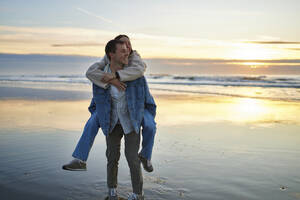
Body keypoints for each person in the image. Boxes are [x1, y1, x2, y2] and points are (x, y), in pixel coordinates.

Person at [65, 39, 156, 200]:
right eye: (122, 50)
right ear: (111, 54)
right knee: (112, 157)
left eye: (127, 49)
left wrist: (147, 118)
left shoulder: (136, 76)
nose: (127, 52)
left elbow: (145, 98)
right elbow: (96, 101)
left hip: (131, 122)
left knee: (132, 158)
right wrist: (98, 114)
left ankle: (138, 194)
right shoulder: (100, 77)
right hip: (112, 122)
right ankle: (112, 192)